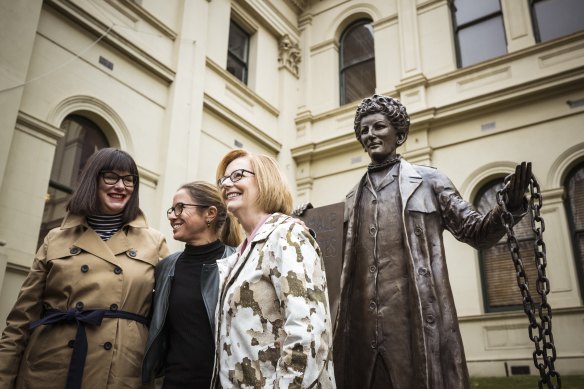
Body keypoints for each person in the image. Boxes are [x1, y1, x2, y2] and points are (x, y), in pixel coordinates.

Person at [333, 95, 531, 389]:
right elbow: (332, 259)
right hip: (361, 333)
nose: (370, 135)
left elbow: (474, 232)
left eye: (379, 127)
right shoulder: (351, 199)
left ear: (398, 133)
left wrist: (508, 208)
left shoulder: (429, 182)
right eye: (364, 130)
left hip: (416, 326)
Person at [0, 148, 169, 389]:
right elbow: (20, 320)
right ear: (93, 179)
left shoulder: (155, 242)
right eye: (111, 176)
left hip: (120, 370)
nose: (121, 186)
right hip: (52, 366)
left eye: (129, 179)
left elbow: (167, 322)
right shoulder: (56, 238)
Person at [211, 149, 336, 389]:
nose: (227, 184)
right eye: (223, 180)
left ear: (266, 180)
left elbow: (307, 335)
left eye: (238, 175)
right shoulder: (241, 253)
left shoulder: (287, 235)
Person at [142, 181, 243, 388]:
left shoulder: (239, 262)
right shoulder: (166, 267)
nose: (172, 215)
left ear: (210, 213)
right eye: (172, 209)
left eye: (181, 208)